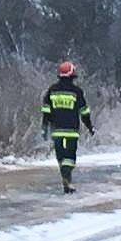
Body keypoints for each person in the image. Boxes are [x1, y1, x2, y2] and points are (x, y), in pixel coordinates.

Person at [42, 61, 94, 194]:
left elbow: (46, 111)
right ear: (72, 76)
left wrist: (44, 127)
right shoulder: (77, 92)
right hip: (72, 131)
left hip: (57, 130)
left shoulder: (52, 90)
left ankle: (66, 180)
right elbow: (84, 112)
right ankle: (67, 178)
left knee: (60, 156)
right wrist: (90, 127)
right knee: (70, 157)